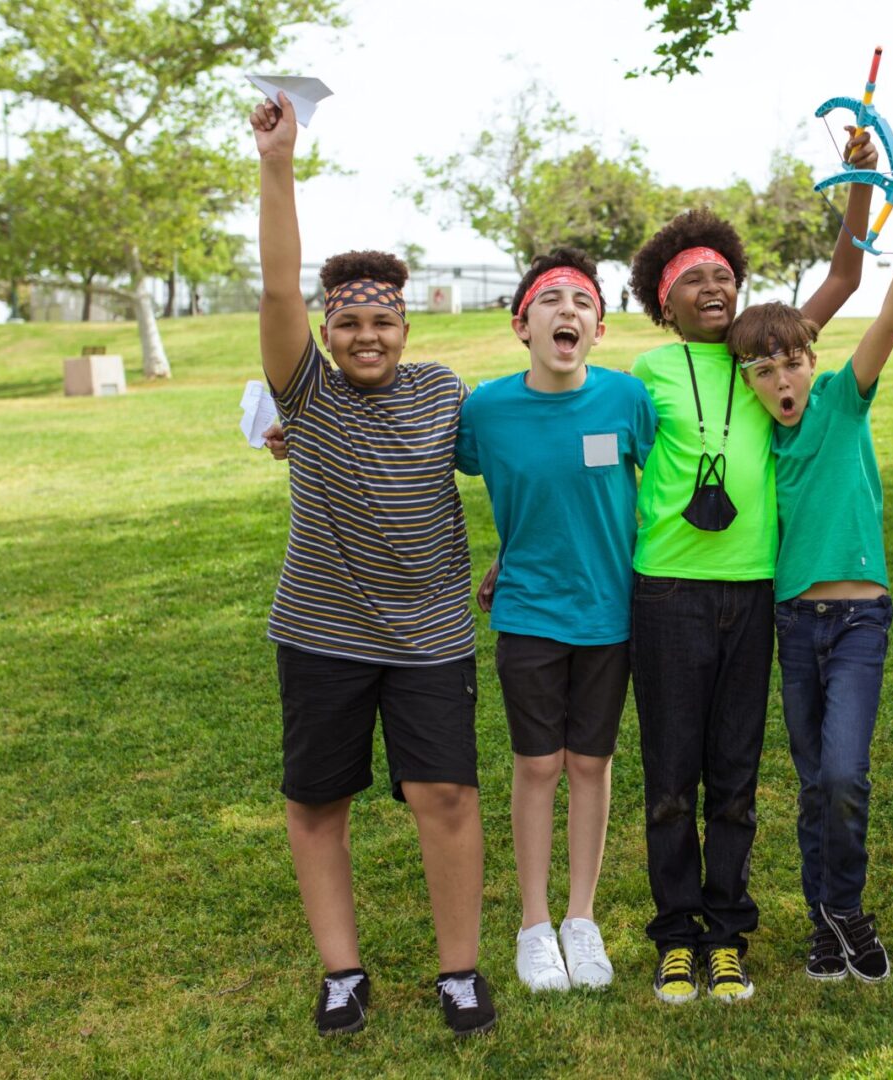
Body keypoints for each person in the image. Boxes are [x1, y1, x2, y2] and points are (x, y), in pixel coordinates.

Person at [250, 91, 494, 1038]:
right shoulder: (303, 387)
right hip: (320, 631)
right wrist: (279, 164)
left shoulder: (443, 392)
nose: (366, 337)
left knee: (446, 794)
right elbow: (277, 290)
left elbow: (514, 466)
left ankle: (460, 973)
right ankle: (342, 972)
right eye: (348, 322)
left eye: (382, 322)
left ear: (406, 326)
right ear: (327, 328)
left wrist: (517, 551)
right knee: (319, 799)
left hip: (430, 631)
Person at [626, 127, 880, 1005]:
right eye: (694, 277)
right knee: (669, 778)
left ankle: (728, 930)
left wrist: (859, 181)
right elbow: (580, 463)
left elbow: (846, 276)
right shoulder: (646, 374)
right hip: (663, 593)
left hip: (754, 591)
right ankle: (675, 931)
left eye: (724, 274)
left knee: (734, 774)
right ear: (665, 298)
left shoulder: (762, 353)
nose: (716, 285)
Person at [728, 189, 893, 985]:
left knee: (846, 772)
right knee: (816, 781)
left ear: (811, 364)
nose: (782, 378)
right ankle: (825, 922)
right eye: (764, 369)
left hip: (858, 624)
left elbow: (886, 321)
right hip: (792, 621)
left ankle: (846, 906)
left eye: (793, 362)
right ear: (747, 381)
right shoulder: (756, 437)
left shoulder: (840, 403)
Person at [454, 248, 655, 994]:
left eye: (582, 302)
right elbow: (414, 447)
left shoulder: (627, 402)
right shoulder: (485, 412)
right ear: (521, 325)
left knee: (591, 764)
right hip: (530, 611)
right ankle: (534, 926)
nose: (567, 310)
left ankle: (581, 917)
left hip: (611, 613)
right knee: (538, 764)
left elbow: (663, 488)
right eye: (551, 300)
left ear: (598, 329)